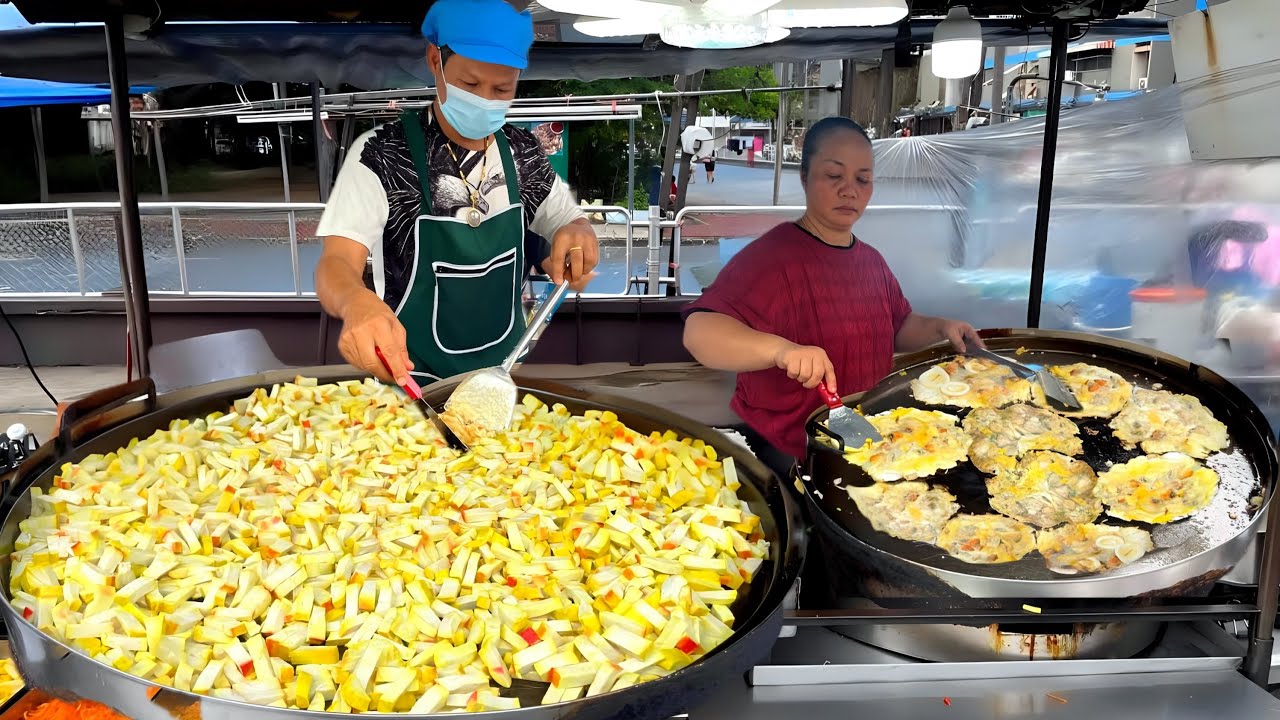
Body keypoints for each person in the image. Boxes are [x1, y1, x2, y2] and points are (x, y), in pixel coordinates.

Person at [315, 0, 599, 387]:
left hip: (500, 381)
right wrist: (355, 303)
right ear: (435, 60)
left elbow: (565, 222)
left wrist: (578, 234)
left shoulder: (524, 153)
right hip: (411, 386)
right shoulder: (381, 154)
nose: (486, 98)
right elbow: (336, 262)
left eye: (503, 88)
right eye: (470, 84)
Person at [682, 117, 982, 476]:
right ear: (805, 177)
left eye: (862, 179)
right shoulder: (771, 257)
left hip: (867, 439)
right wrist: (783, 351)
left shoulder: (870, 260)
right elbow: (700, 332)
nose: (849, 190)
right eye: (833, 175)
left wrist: (939, 327)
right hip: (791, 447)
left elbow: (898, 327)